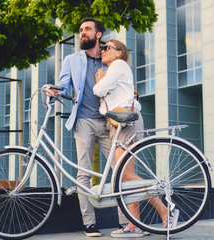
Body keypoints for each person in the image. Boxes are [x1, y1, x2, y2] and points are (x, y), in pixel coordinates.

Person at [48, 17, 128, 237]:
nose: (82, 33)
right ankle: (90, 223)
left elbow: (121, 82)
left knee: (120, 170)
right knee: (83, 173)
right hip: (82, 120)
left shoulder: (108, 57)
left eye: (87, 29)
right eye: (81, 29)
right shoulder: (71, 59)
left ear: (98, 34)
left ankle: (126, 223)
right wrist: (55, 92)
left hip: (108, 121)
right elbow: (64, 86)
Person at [93, 39, 179, 238]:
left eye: (108, 48)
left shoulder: (118, 65)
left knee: (124, 174)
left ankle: (165, 210)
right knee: (125, 175)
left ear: (119, 52)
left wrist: (100, 82)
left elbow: (98, 90)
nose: (103, 50)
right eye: (103, 48)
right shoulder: (115, 69)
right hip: (117, 122)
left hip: (126, 122)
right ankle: (134, 224)